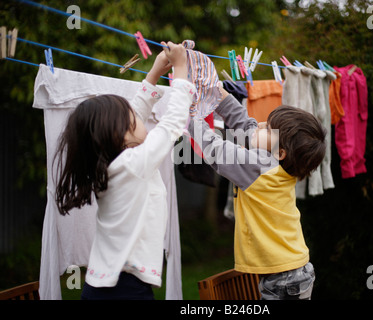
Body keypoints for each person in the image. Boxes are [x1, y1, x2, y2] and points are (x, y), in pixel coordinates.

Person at [54, 42, 195, 300]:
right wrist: (181, 70)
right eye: (135, 120)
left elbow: (135, 110)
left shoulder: (113, 164)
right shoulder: (132, 164)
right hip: (124, 289)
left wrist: (154, 74)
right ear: (122, 133)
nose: (141, 119)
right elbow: (172, 124)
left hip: (104, 284)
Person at [188, 88, 326, 300]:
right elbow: (248, 127)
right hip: (291, 271)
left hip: (284, 278)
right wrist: (220, 95)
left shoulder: (261, 167)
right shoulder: (272, 166)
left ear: (280, 153)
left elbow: (215, 149)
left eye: (269, 129)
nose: (260, 125)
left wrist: (185, 114)